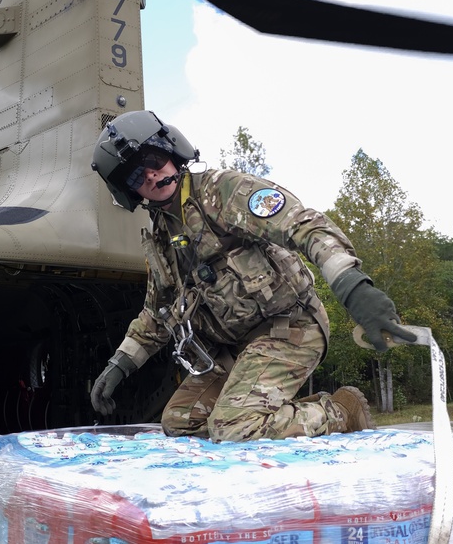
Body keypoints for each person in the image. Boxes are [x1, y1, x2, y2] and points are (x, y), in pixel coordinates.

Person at [89, 110, 416, 442]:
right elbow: (157, 312)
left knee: (233, 428)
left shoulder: (222, 192)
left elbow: (300, 224)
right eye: (134, 176)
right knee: (179, 423)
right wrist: (121, 363)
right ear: (129, 192)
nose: (150, 174)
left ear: (171, 150)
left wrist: (351, 284)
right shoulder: (161, 239)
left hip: (289, 329)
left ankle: (341, 411)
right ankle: (273, 416)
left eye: (153, 158)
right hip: (232, 349)